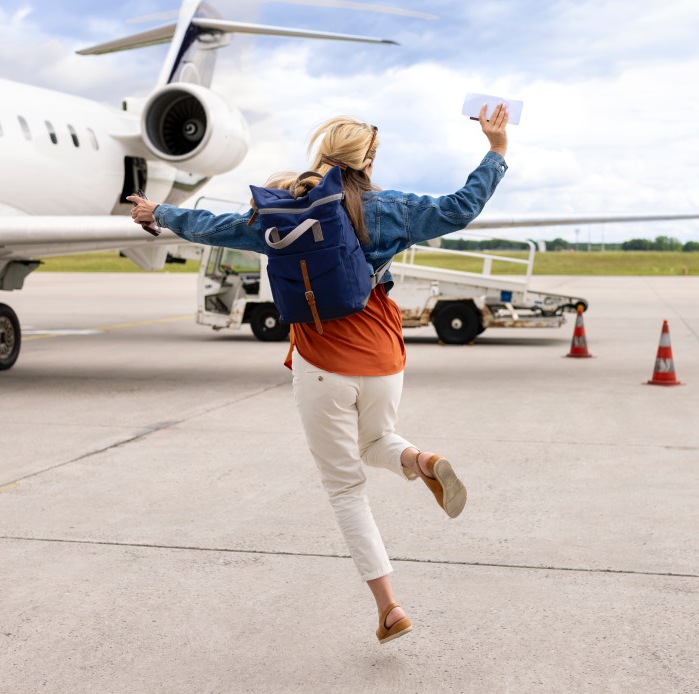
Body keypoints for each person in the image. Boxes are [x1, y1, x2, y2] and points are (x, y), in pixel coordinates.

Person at [128, 104, 509, 644]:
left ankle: (390, 608)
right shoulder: (390, 209)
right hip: (384, 355)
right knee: (376, 440)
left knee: (345, 488)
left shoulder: (285, 209)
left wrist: (160, 212)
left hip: (323, 361)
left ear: (323, 154)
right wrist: (496, 150)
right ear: (368, 161)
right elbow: (460, 207)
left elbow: (219, 228)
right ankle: (421, 460)